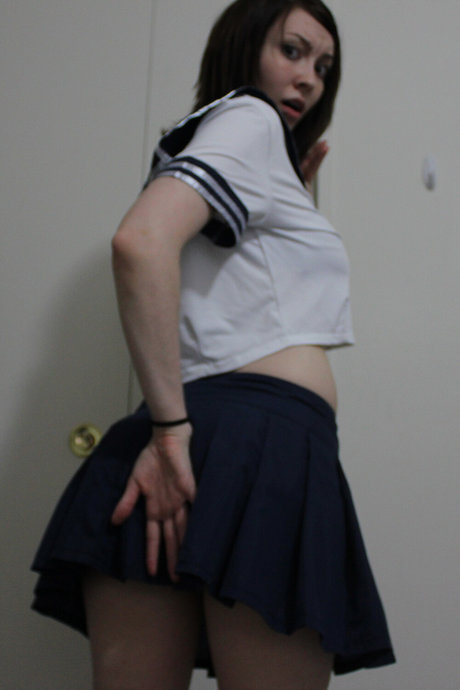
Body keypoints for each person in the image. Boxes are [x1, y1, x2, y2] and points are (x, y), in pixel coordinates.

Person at [32, 1, 396, 688]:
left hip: (180, 447)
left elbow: (219, 284)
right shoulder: (250, 119)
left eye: (324, 66)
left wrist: (289, 201)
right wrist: (172, 431)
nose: (310, 78)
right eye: (292, 50)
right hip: (257, 447)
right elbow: (141, 243)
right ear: (243, 45)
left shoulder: (218, 140)